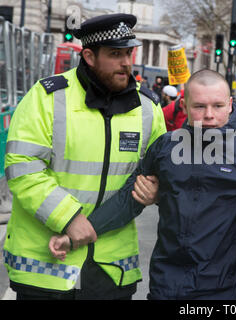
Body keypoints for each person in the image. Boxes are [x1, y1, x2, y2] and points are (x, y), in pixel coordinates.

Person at [49, 69, 236, 300]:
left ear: (231, 105)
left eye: (217, 106)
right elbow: (127, 200)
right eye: (199, 106)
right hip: (169, 287)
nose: (209, 116)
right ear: (185, 105)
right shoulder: (165, 148)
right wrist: (78, 234)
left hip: (233, 291)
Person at [2, 13, 167, 300]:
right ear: (89, 56)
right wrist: (68, 218)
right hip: (45, 267)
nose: (126, 62)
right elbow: (22, 168)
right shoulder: (46, 97)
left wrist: (157, 190)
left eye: (129, 52)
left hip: (111, 269)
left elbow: (160, 172)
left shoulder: (148, 108)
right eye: (115, 54)